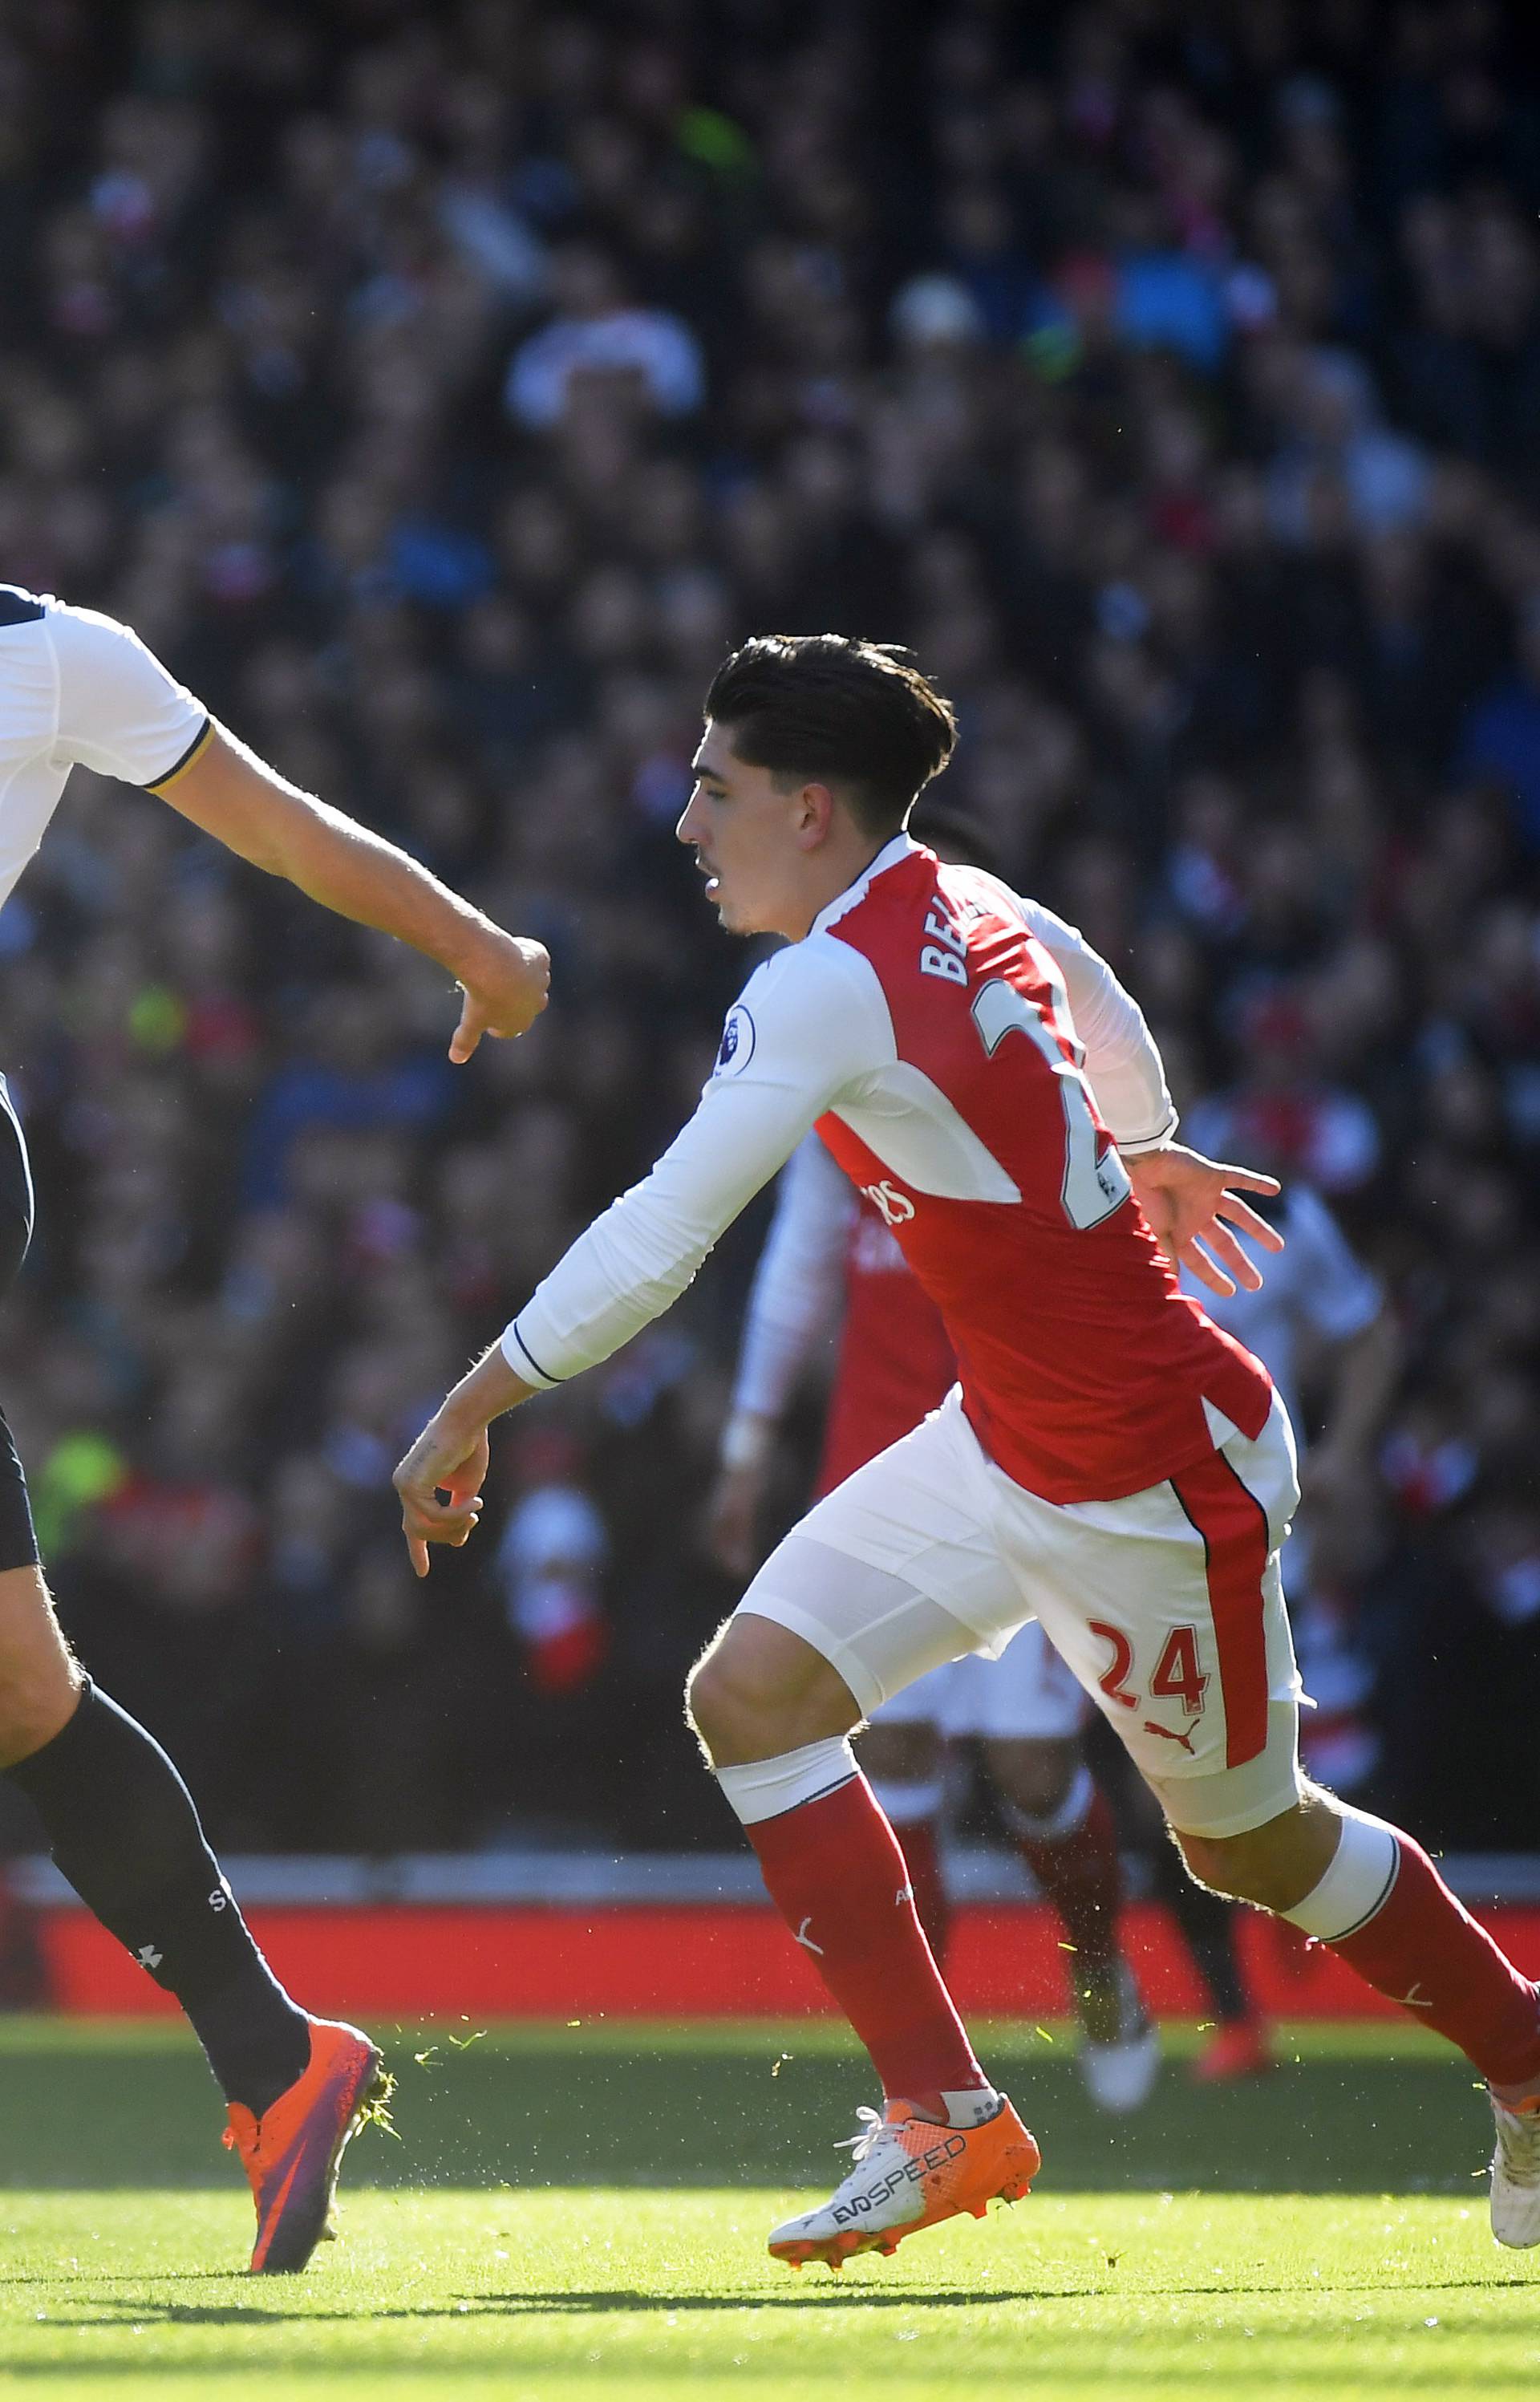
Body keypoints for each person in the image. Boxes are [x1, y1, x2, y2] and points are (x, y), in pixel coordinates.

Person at [395, 633, 1540, 2268]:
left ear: (805, 807)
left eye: (713, 789)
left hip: (1152, 1472)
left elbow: (665, 1230)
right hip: (1007, 1433)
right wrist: (1142, 1143)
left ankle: (1529, 2055)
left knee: (1248, 1843)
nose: (687, 825)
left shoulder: (816, 983)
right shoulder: (951, 893)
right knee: (752, 1699)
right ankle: (944, 2120)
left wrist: (471, 1400)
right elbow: (1090, 981)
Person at [0, 582, 549, 2273]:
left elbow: (288, 829)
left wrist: (480, 947)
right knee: (22, 1694)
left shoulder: (51, 655)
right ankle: (276, 2060)